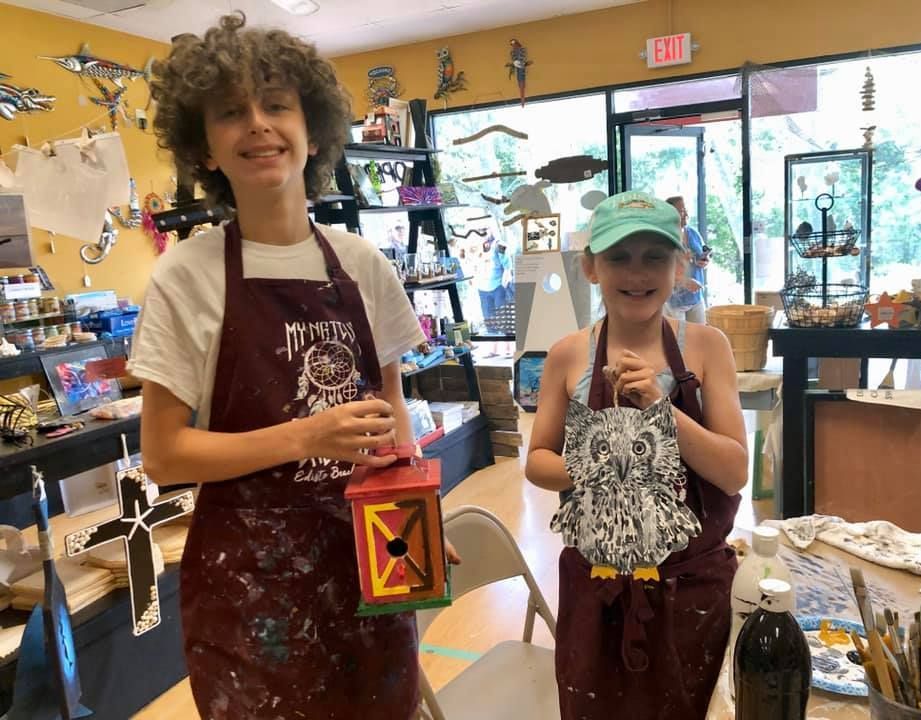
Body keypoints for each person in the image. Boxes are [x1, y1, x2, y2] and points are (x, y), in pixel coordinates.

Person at [130, 14, 456, 719]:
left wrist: (414, 514)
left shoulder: (363, 265)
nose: (257, 125)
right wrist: (306, 437)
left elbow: (390, 408)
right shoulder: (186, 276)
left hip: (367, 557)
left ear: (312, 131)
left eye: (277, 105)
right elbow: (163, 453)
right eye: (230, 112)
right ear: (205, 147)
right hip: (251, 591)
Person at [525, 191, 747, 719]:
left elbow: (734, 472)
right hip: (597, 591)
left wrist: (662, 413)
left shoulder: (706, 347)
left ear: (680, 266)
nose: (637, 272)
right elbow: (537, 460)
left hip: (691, 591)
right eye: (619, 257)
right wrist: (598, 462)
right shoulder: (568, 355)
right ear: (591, 268)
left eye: (655, 257)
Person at [665, 195, 710, 324]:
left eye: (685, 210)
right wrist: (683, 280)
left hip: (695, 298)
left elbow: (703, 252)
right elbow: (660, 268)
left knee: (699, 339)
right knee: (679, 341)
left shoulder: (693, 233)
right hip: (674, 301)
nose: (686, 214)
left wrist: (704, 261)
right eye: (681, 211)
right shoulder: (665, 238)